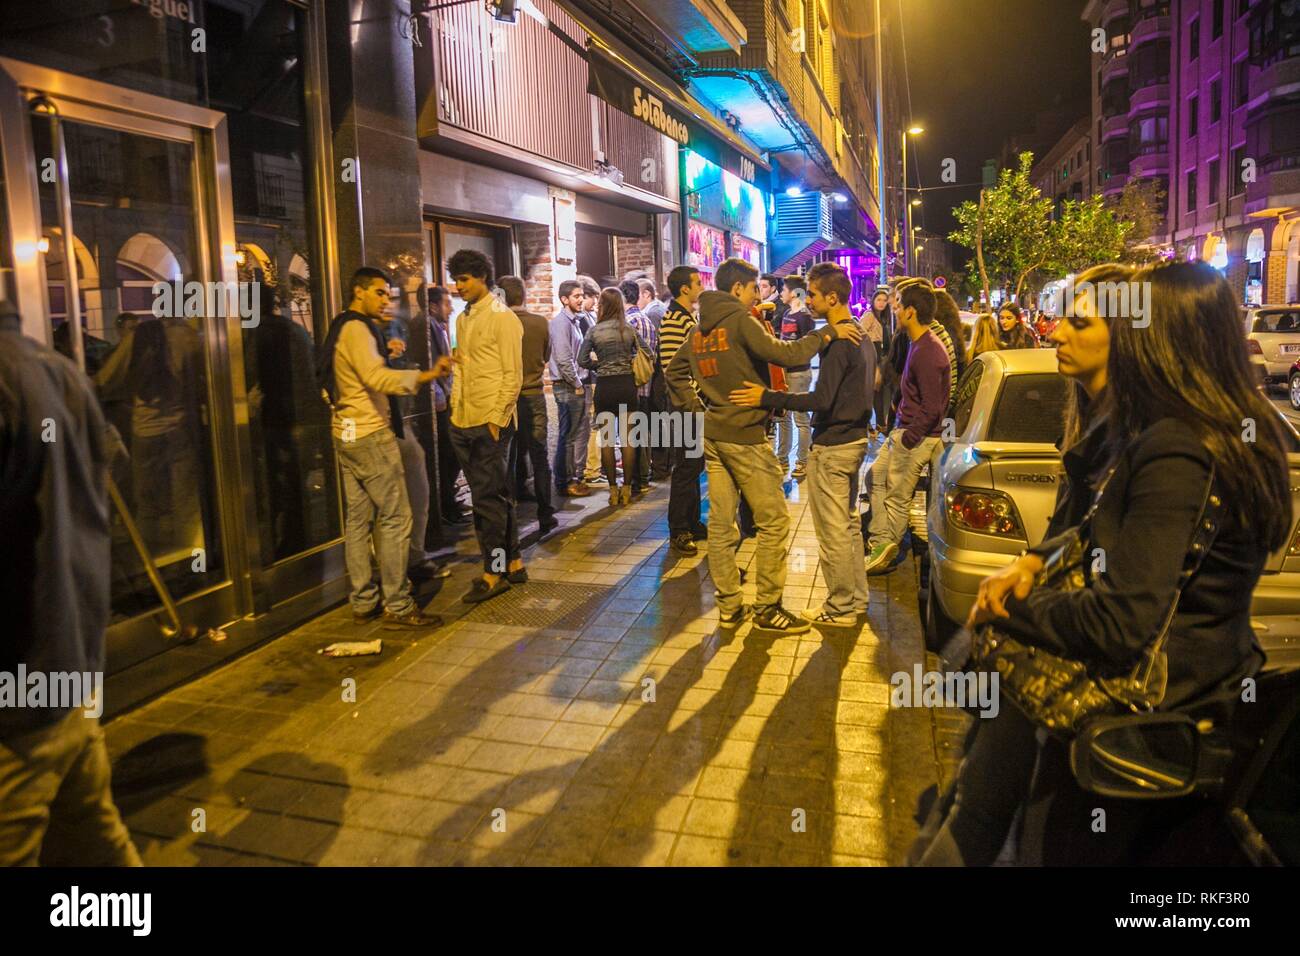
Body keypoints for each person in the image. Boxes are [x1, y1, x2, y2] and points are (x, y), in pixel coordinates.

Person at [917, 261, 1292, 866]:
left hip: (1147, 719)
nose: (1061, 331)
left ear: (1166, 336)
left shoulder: (1178, 447)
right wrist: (1037, 566)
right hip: (1163, 707)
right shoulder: (1194, 433)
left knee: (1012, 830)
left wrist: (1014, 611)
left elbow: (1126, 618)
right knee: (980, 810)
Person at [0, 300, 142, 867]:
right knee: (89, 840)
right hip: (65, 663)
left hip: (17, 689)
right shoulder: (56, 370)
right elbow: (112, 464)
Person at [666, 257, 863, 634]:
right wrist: (827, 334)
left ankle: (729, 607)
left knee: (722, 527)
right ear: (737, 289)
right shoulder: (740, 321)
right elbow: (787, 355)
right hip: (744, 437)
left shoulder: (698, 331)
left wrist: (698, 408)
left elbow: (675, 372)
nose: (760, 294)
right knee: (773, 521)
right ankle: (768, 607)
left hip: (714, 435)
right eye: (754, 287)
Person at [729, 263, 874, 625]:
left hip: (835, 445)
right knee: (849, 526)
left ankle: (840, 607)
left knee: (833, 531)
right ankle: (854, 600)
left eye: (811, 293)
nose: (806, 300)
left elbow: (821, 400)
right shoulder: (858, 334)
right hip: (853, 440)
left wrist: (768, 397)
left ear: (832, 297)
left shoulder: (842, 341)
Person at [318, 267, 447, 628]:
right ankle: (398, 604)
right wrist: (427, 375)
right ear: (358, 292)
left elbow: (343, 377)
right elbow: (376, 378)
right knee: (395, 516)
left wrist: (385, 354)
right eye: (379, 293)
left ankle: (362, 600)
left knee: (358, 520)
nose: (386, 301)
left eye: (389, 295)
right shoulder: (357, 328)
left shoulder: (340, 326)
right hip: (369, 432)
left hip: (345, 431)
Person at [446, 249, 527, 604]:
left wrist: (496, 418)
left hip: (489, 421)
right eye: (456, 280)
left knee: (486, 501)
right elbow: (462, 368)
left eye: (464, 279)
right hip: (464, 418)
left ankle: (493, 572)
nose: (458, 286)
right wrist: (454, 410)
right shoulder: (463, 319)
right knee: (495, 495)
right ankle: (513, 563)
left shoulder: (502, 317)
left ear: (481, 276)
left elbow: (514, 374)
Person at [863, 281, 950, 575]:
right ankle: (880, 540)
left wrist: (909, 439)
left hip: (916, 434)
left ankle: (885, 547)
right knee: (874, 477)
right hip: (905, 429)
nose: (894, 309)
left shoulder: (929, 351)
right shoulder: (918, 344)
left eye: (898, 304)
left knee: (897, 495)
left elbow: (933, 406)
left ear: (911, 311)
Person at [496, 276, 558, 537]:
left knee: (507, 459)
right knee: (539, 456)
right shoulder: (540, 323)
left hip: (506, 399)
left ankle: (509, 520)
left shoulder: (497, 325)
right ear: (523, 295)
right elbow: (546, 356)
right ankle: (545, 514)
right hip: (533, 394)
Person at [579, 288, 651, 507]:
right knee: (628, 441)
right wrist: (628, 362)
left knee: (608, 441)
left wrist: (599, 364)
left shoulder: (594, 331)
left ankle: (612, 490)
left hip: (605, 387)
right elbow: (647, 351)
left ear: (602, 305)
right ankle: (627, 489)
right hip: (626, 386)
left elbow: (581, 360)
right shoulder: (628, 329)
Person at [659, 265, 709, 554]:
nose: (701, 286)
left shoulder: (687, 315)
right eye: (697, 282)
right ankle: (679, 529)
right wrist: (691, 399)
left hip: (692, 403)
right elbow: (670, 367)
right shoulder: (673, 319)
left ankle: (692, 521)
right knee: (686, 467)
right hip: (682, 406)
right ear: (684, 289)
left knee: (694, 465)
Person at [548, 280, 592, 500]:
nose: (581, 299)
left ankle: (570, 479)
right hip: (567, 386)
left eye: (582, 295)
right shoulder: (560, 324)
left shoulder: (575, 321)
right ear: (564, 299)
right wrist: (576, 385)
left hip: (574, 384)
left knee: (572, 435)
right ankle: (563, 482)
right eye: (576, 296)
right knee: (567, 437)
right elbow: (564, 360)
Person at [428, 286, 468, 524]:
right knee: (447, 456)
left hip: (447, 398)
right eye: (446, 303)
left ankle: (449, 500)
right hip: (441, 403)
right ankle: (446, 506)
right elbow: (430, 366)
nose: (452, 308)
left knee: (451, 456)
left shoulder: (438, 327)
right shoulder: (429, 327)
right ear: (433, 306)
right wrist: (440, 399)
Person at [773, 275, 817, 482]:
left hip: (799, 372)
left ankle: (802, 461)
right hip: (784, 372)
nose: (781, 293)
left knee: (800, 419)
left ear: (794, 292)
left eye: (784, 289)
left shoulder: (805, 317)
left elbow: (809, 347)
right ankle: (782, 460)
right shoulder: (787, 314)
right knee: (783, 418)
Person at [622, 279, 658, 495]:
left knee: (632, 435)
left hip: (631, 385)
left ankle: (637, 478)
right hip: (647, 384)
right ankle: (644, 477)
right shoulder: (647, 321)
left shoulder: (628, 323)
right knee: (643, 433)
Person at [867, 287, 896, 441]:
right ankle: (879, 424)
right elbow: (861, 334)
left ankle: (878, 423)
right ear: (873, 301)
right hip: (873, 356)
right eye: (878, 300)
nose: (882, 303)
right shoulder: (869, 315)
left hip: (881, 357)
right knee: (875, 392)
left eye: (884, 301)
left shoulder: (883, 317)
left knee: (878, 392)